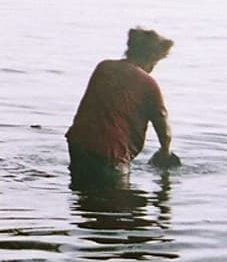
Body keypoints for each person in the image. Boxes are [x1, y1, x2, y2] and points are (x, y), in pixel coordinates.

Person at [65, 27, 179, 188]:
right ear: (151, 58)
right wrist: (165, 151)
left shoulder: (103, 68)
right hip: (110, 152)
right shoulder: (148, 84)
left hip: (79, 144)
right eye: (156, 62)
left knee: (81, 190)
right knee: (117, 198)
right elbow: (162, 123)